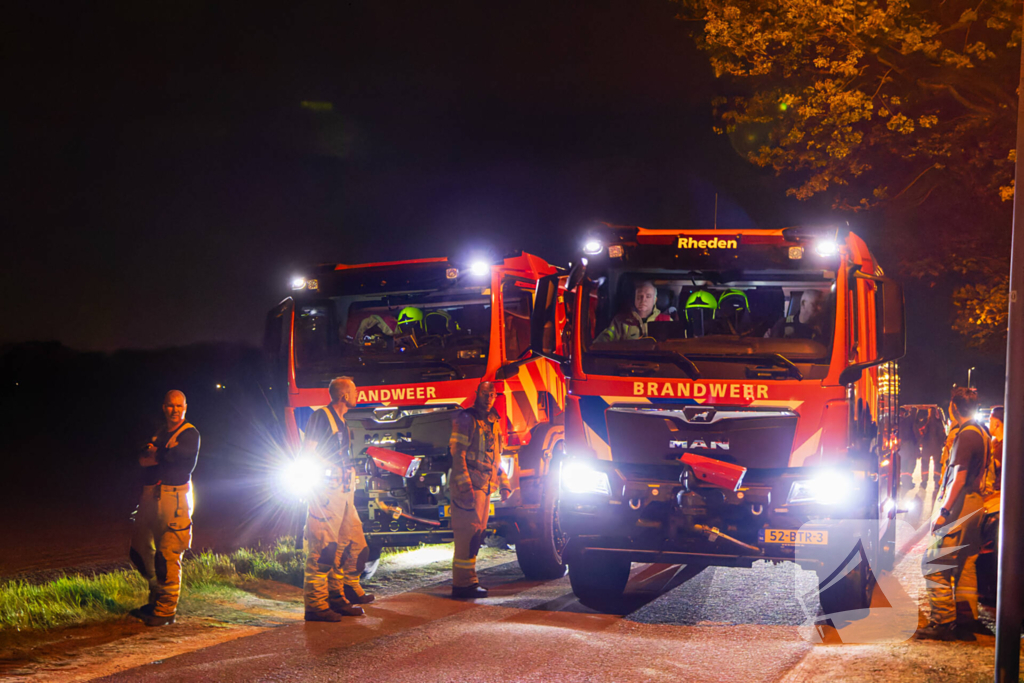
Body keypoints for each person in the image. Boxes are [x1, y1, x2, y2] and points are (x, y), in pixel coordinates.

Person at [916, 387, 990, 641]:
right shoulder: (982, 431)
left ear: (954, 407)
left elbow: (958, 477)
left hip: (960, 504)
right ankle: (967, 618)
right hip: (975, 503)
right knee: (965, 563)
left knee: (934, 562)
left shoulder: (966, 434)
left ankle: (943, 621)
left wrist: (944, 512)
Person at [302, 377, 374, 622]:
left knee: (347, 546)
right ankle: (316, 606)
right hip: (326, 494)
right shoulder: (321, 417)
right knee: (324, 549)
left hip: (342, 493)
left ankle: (337, 597)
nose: (358, 395)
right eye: (355, 391)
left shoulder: (342, 422)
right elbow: (308, 454)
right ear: (344, 395)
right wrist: (334, 469)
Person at [129, 390, 200, 627]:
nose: (174, 410)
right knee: (139, 550)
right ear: (164, 407)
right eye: (170, 405)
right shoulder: (161, 432)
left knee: (168, 555)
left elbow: (177, 458)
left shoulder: (190, 434)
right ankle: (156, 596)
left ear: (185, 408)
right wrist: (159, 453)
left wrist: (155, 452)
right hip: (152, 496)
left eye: (179, 406)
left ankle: (165, 610)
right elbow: (142, 457)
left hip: (175, 500)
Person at [448, 381, 512, 598]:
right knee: (467, 535)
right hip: (471, 485)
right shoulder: (467, 419)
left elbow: (496, 456)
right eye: (485, 394)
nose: (488, 398)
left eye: (492, 394)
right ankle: (462, 584)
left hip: (484, 485)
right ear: (477, 394)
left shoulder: (494, 420)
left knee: (477, 534)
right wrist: (465, 486)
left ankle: (469, 581)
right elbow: (458, 454)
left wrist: (504, 482)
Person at [595, 281, 671, 343]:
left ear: (655, 300)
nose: (643, 300)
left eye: (648, 296)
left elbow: (675, 345)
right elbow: (601, 342)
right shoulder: (620, 321)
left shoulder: (667, 320)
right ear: (634, 298)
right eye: (639, 296)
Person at [919, 408, 947, 488]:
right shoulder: (939, 422)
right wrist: (941, 443)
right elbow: (943, 435)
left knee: (925, 464)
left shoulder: (925, 422)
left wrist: (921, 441)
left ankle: (924, 482)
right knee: (937, 464)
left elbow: (920, 431)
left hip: (926, 447)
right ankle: (937, 482)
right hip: (937, 448)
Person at [898, 406, 920, 494]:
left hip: (903, 446)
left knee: (904, 464)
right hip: (910, 446)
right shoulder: (912, 421)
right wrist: (919, 441)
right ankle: (908, 482)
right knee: (911, 464)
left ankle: (904, 482)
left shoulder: (904, 421)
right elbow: (916, 434)